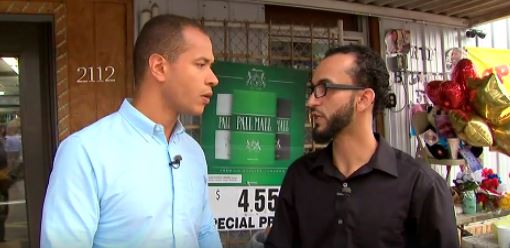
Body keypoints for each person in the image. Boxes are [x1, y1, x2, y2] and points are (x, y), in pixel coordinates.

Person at [41, 14, 221, 248]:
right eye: (201, 64)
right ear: (159, 67)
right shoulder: (85, 153)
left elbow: (205, 231)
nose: (213, 79)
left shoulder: (193, 152)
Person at [265, 44, 458, 248]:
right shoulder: (300, 176)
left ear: (364, 99)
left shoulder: (421, 186)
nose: (311, 101)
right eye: (313, 90)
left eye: (324, 88)